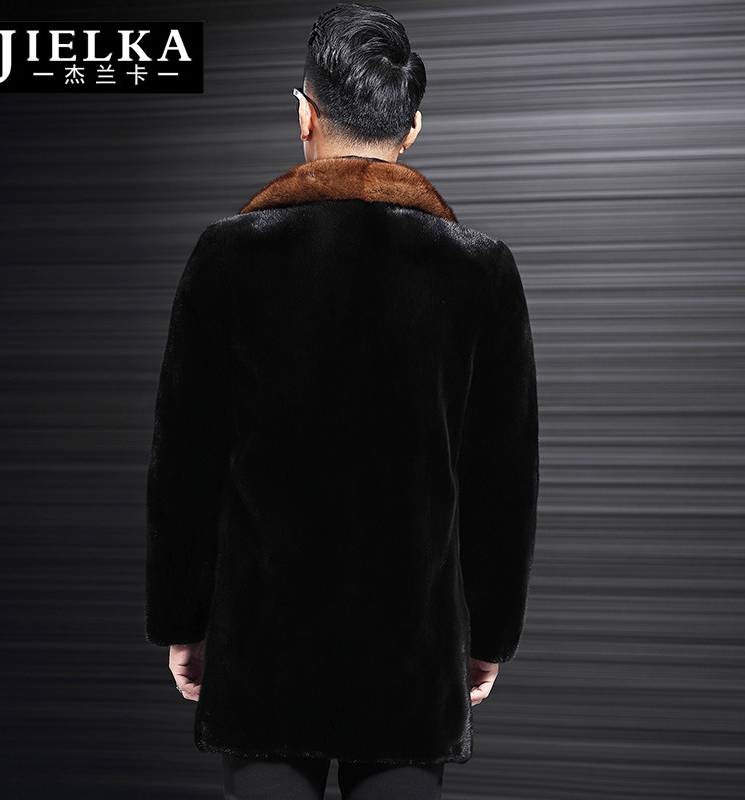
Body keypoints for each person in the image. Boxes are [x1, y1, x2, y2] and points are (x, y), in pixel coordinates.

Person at [145, 3, 539, 798]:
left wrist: (181, 622)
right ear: (412, 129)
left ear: (305, 115)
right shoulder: (481, 272)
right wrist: (490, 635)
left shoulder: (227, 259)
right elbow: (503, 480)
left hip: (264, 658)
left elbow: (184, 464)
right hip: (410, 661)